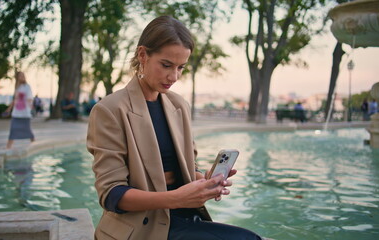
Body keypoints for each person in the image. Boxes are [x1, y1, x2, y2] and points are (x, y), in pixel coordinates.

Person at [87, 16, 263, 240]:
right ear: (143, 55)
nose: (174, 76)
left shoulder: (178, 105)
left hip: (184, 217)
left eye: (181, 67)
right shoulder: (109, 110)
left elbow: (187, 167)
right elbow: (112, 195)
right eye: (166, 65)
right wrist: (176, 199)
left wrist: (205, 180)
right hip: (140, 228)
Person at [4, 71, 35, 149]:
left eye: (23, 75)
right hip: (16, 112)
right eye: (20, 76)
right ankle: (8, 147)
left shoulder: (27, 86)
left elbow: (29, 98)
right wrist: (9, 109)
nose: (22, 77)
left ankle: (34, 144)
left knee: (28, 130)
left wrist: (31, 107)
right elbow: (15, 99)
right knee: (13, 129)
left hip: (25, 112)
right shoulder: (17, 87)